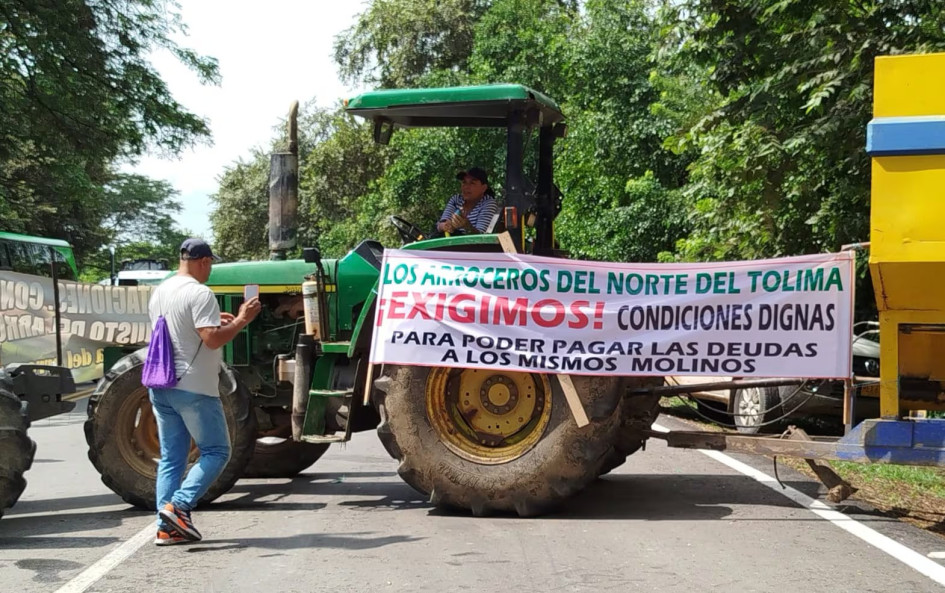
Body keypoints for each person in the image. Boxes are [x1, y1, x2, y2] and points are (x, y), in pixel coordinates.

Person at [147, 238, 261, 546]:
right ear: (205, 262)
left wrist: (218, 321)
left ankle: (166, 526)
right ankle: (178, 506)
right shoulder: (200, 293)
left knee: (172, 458)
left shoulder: (161, 290)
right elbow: (211, 340)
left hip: (162, 385)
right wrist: (240, 320)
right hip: (194, 386)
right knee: (217, 451)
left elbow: (183, 329)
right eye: (211, 264)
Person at [437, 167, 499, 235]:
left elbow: (481, 237)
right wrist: (444, 226)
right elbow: (442, 222)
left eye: (472, 183)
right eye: (464, 182)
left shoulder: (488, 203)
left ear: (483, 188)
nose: (466, 187)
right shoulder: (456, 199)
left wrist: (467, 227)